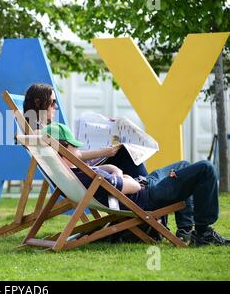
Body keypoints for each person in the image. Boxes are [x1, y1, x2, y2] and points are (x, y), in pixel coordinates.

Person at [23, 83, 229, 246]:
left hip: (141, 187)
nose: (55, 107)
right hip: (145, 195)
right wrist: (129, 179)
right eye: (51, 103)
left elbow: (103, 174)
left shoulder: (64, 161)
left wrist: (115, 167)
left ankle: (186, 229)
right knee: (205, 169)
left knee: (183, 165)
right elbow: (120, 184)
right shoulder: (58, 148)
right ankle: (202, 232)